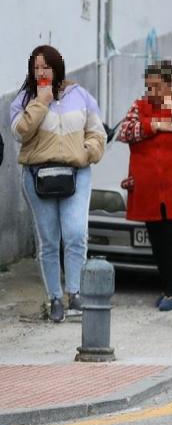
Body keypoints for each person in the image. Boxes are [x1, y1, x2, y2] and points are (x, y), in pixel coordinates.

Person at [9, 45, 106, 324]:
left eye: (46, 67)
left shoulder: (80, 95)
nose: (41, 72)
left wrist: (86, 153)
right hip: (39, 176)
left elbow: (97, 132)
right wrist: (40, 101)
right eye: (36, 67)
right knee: (49, 241)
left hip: (76, 173)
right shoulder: (25, 99)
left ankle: (74, 292)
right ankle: (54, 298)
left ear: (57, 68)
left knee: (75, 233)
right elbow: (19, 133)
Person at [117, 61, 172, 311]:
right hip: (149, 187)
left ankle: (171, 291)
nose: (152, 92)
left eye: (157, 86)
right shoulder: (140, 107)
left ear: (171, 84)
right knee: (156, 237)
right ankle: (167, 287)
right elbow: (125, 132)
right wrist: (156, 125)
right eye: (148, 86)